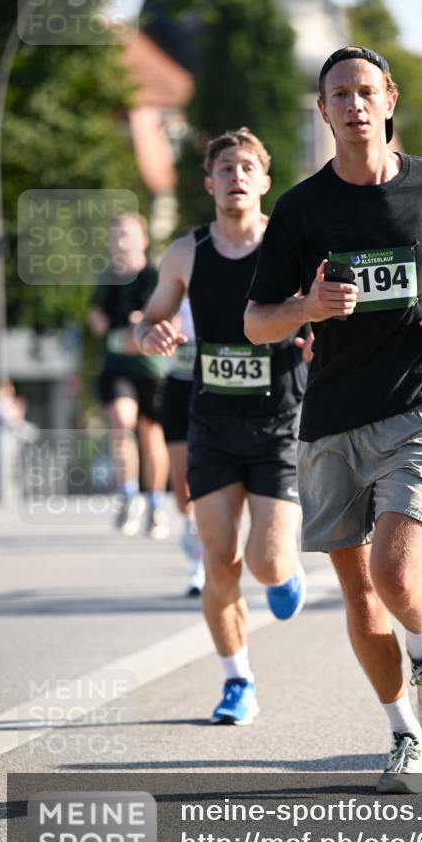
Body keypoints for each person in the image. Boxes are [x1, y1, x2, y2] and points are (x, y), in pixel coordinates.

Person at [244, 46, 422, 793]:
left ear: (388, 100)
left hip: (417, 405)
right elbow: (257, 322)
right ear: (321, 111)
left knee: (391, 570)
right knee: (357, 594)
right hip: (331, 421)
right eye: (336, 94)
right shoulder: (301, 208)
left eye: (363, 91)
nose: (351, 104)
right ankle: (403, 737)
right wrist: (305, 310)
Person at [134, 127, 307, 725]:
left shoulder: (289, 250)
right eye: (225, 167)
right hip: (210, 421)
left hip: (278, 421)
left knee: (265, 563)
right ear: (209, 183)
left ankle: (285, 569)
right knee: (218, 560)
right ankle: (239, 681)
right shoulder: (186, 253)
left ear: (264, 181)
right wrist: (150, 333)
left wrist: (316, 341)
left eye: (246, 167)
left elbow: (326, 317)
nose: (236, 176)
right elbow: (147, 321)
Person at [89, 213, 170, 539]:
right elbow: (97, 317)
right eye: (116, 235)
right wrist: (99, 323)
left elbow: (151, 320)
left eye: (128, 234)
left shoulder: (153, 278)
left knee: (151, 437)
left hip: (150, 371)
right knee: (121, 422)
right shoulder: (106, 279)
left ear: (143, 240)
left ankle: (155, 502)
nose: (121, 241)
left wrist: (138, 327)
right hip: (116, 368)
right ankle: (128, 495)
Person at [160, 295, 205, 596]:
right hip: (177, 388)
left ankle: (201, 564)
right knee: (182, 487)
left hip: (211, 386)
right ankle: (192, 530)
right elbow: (144, 323)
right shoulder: (172, 288)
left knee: (210, 477)